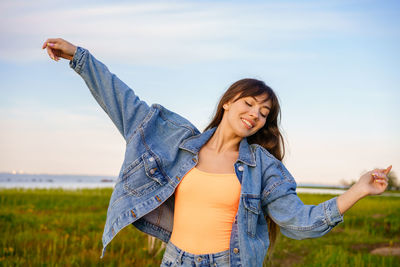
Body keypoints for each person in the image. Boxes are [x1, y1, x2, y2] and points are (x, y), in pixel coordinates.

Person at [42, 38, 391, 267]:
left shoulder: (262, 168)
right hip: (175, 260)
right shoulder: (178, 141)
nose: (255, 113)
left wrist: (359, 188)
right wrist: (80, 58)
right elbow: (126, 104)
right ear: (228, 102)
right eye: (249, 103)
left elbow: (300, 223)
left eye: (264, 112)